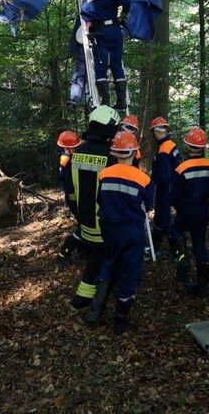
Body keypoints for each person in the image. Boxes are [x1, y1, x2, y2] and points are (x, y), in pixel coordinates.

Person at [84, 131, 154, 335]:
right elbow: (148, 205)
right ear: (134, 152)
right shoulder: (143, 179)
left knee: (109, 261)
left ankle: (96, 309)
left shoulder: (104, 174)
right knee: (130, 269)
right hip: (131, 230)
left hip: (108, 227)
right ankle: (120, 320)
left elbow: (100, 199)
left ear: (114, 152)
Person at [69, 106, 121, 309]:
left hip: (84, 220)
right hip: (104, 223)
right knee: (103, 259)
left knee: (97, 255)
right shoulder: (111, 157)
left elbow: (70, 191)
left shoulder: (77, 153)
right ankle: (88, 297)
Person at [171, 128, 209, 297]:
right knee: (200, 243)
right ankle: (203, 284)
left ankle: (183, 258)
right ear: (203, 147)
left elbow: (174, 196)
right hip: (202, 211)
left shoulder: (181, 168)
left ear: (188, 146)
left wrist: (179, 208)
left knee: (176, 232)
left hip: (185, 210)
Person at [72, 0, 131, 111]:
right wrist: (123, 16)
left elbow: (84, 15)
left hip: (100, 33)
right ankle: (122, 102)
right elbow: (128, 1)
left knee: (100, 68)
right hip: (115, 31)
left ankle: (105, 102)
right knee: (117, 66)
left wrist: (89, 27)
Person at [149, 117, 181, 256]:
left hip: (166, 189)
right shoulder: (171, 144)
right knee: (160, 218)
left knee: (164, 218)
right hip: (173, 185)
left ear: (156, 132)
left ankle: (177, 249)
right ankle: (157, 246)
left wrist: (152, 180)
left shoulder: (163, 150)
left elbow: (164, 176)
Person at [55, 130, 84, 266]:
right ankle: (65, 252)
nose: (76, 148)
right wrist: (74, 195)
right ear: (66, 147)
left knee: (84, 224)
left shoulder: (72, 156)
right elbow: (67, 181)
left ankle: (83, 251)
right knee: (84, 225)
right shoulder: (66, 160)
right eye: (74, 147)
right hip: (73, 197)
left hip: (77, 196)